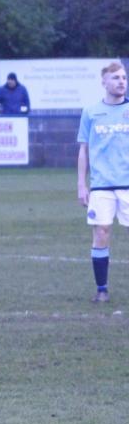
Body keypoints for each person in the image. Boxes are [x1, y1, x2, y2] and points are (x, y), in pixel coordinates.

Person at [76, 61, 129, 304]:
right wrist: (81, 184)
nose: (121, 82)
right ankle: (102, 290)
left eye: (124, 78)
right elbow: (84, 150)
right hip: (101, 185)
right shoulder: (90, 112)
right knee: (101, 233)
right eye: (116, 78)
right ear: (104, 82)